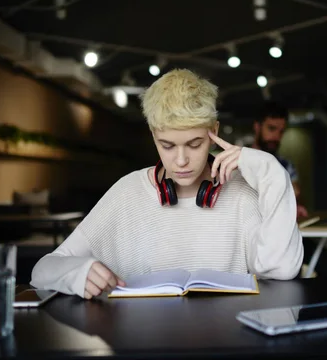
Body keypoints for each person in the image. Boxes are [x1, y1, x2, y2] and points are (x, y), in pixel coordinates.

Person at [30, 69, 303, 299]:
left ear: (214, 133)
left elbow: (280, 269)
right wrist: (77, 274)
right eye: (167, 145)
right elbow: (43, 269)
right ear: (153, 135)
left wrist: (271, 170)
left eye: (194, 144)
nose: (181, 161)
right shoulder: (127, 192)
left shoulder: (242, 192)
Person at [251, 101, 327, 278]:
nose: (276, 136)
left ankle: (315, 306)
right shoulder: (240, 160)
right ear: (257, 127)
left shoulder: (286, 165)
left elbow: (296, 197)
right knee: (291, 267)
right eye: (271, 128)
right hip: (258, 240)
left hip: (288, 236)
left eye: (281, 131)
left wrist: (297, 206)